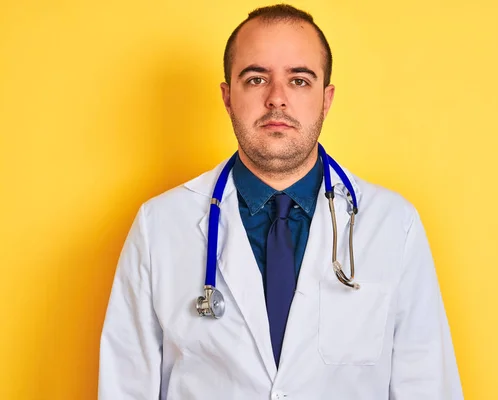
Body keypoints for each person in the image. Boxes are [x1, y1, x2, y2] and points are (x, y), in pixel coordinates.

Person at [99, 4, 463, 399]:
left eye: (300, 81)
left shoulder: (393, 225)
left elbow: (429, 387)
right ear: (227, 96)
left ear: (326, 99)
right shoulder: (160, 226)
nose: (277, 99)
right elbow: (125, 386)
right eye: (256, 79)